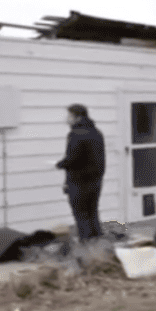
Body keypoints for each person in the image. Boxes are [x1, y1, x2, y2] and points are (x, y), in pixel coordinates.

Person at [56, 103, 105, 242]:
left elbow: (72, 159)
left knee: (81, 215)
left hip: (79, 181)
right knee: (93, 212)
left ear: (77, 117)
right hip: (96, 181)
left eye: (69, 116)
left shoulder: (75, 134)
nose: (67, 119)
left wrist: (59, 164)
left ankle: (87, 246)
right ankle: (99, 245)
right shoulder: (96, 132)